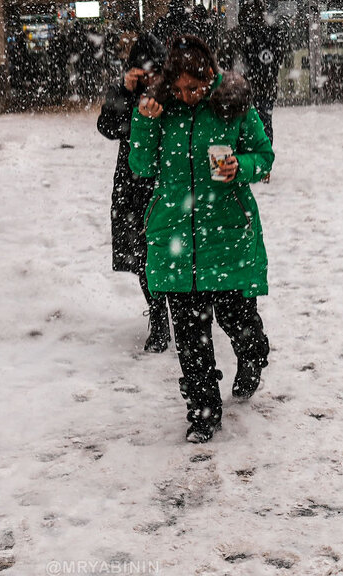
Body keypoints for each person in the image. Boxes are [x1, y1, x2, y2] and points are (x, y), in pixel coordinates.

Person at [129, 35, 274, 443]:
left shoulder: (232, 106)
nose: (187, 96)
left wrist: (240, 167)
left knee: (237, 318)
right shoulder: (162, 109)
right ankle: (203, 413)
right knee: (191, 338)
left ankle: (252, 355)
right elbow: (140, 166)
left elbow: (264, 156)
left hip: (225, 234)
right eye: (179, 89)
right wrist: (144, 119)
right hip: (175, 236)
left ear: (210, 75)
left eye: (194, 88)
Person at [97, 31, 171, 353]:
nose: (148, 78)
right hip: (131, 182)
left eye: (153, 72)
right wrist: (125, 91)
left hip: (167, 180)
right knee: (142, 256)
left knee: (170, 251)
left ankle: (180, 315)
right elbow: (107, 128)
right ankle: (157, 317)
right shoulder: (126, 91)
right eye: (142, 72)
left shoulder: (171, 92)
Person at [235, 0, 285, 143]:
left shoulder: (240, 35)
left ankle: (254, 154)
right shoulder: (271, 35)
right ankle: (263, 154)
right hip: (265, 88)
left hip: (246, 89)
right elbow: (277, 59)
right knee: (265, 125)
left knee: (245, 127)